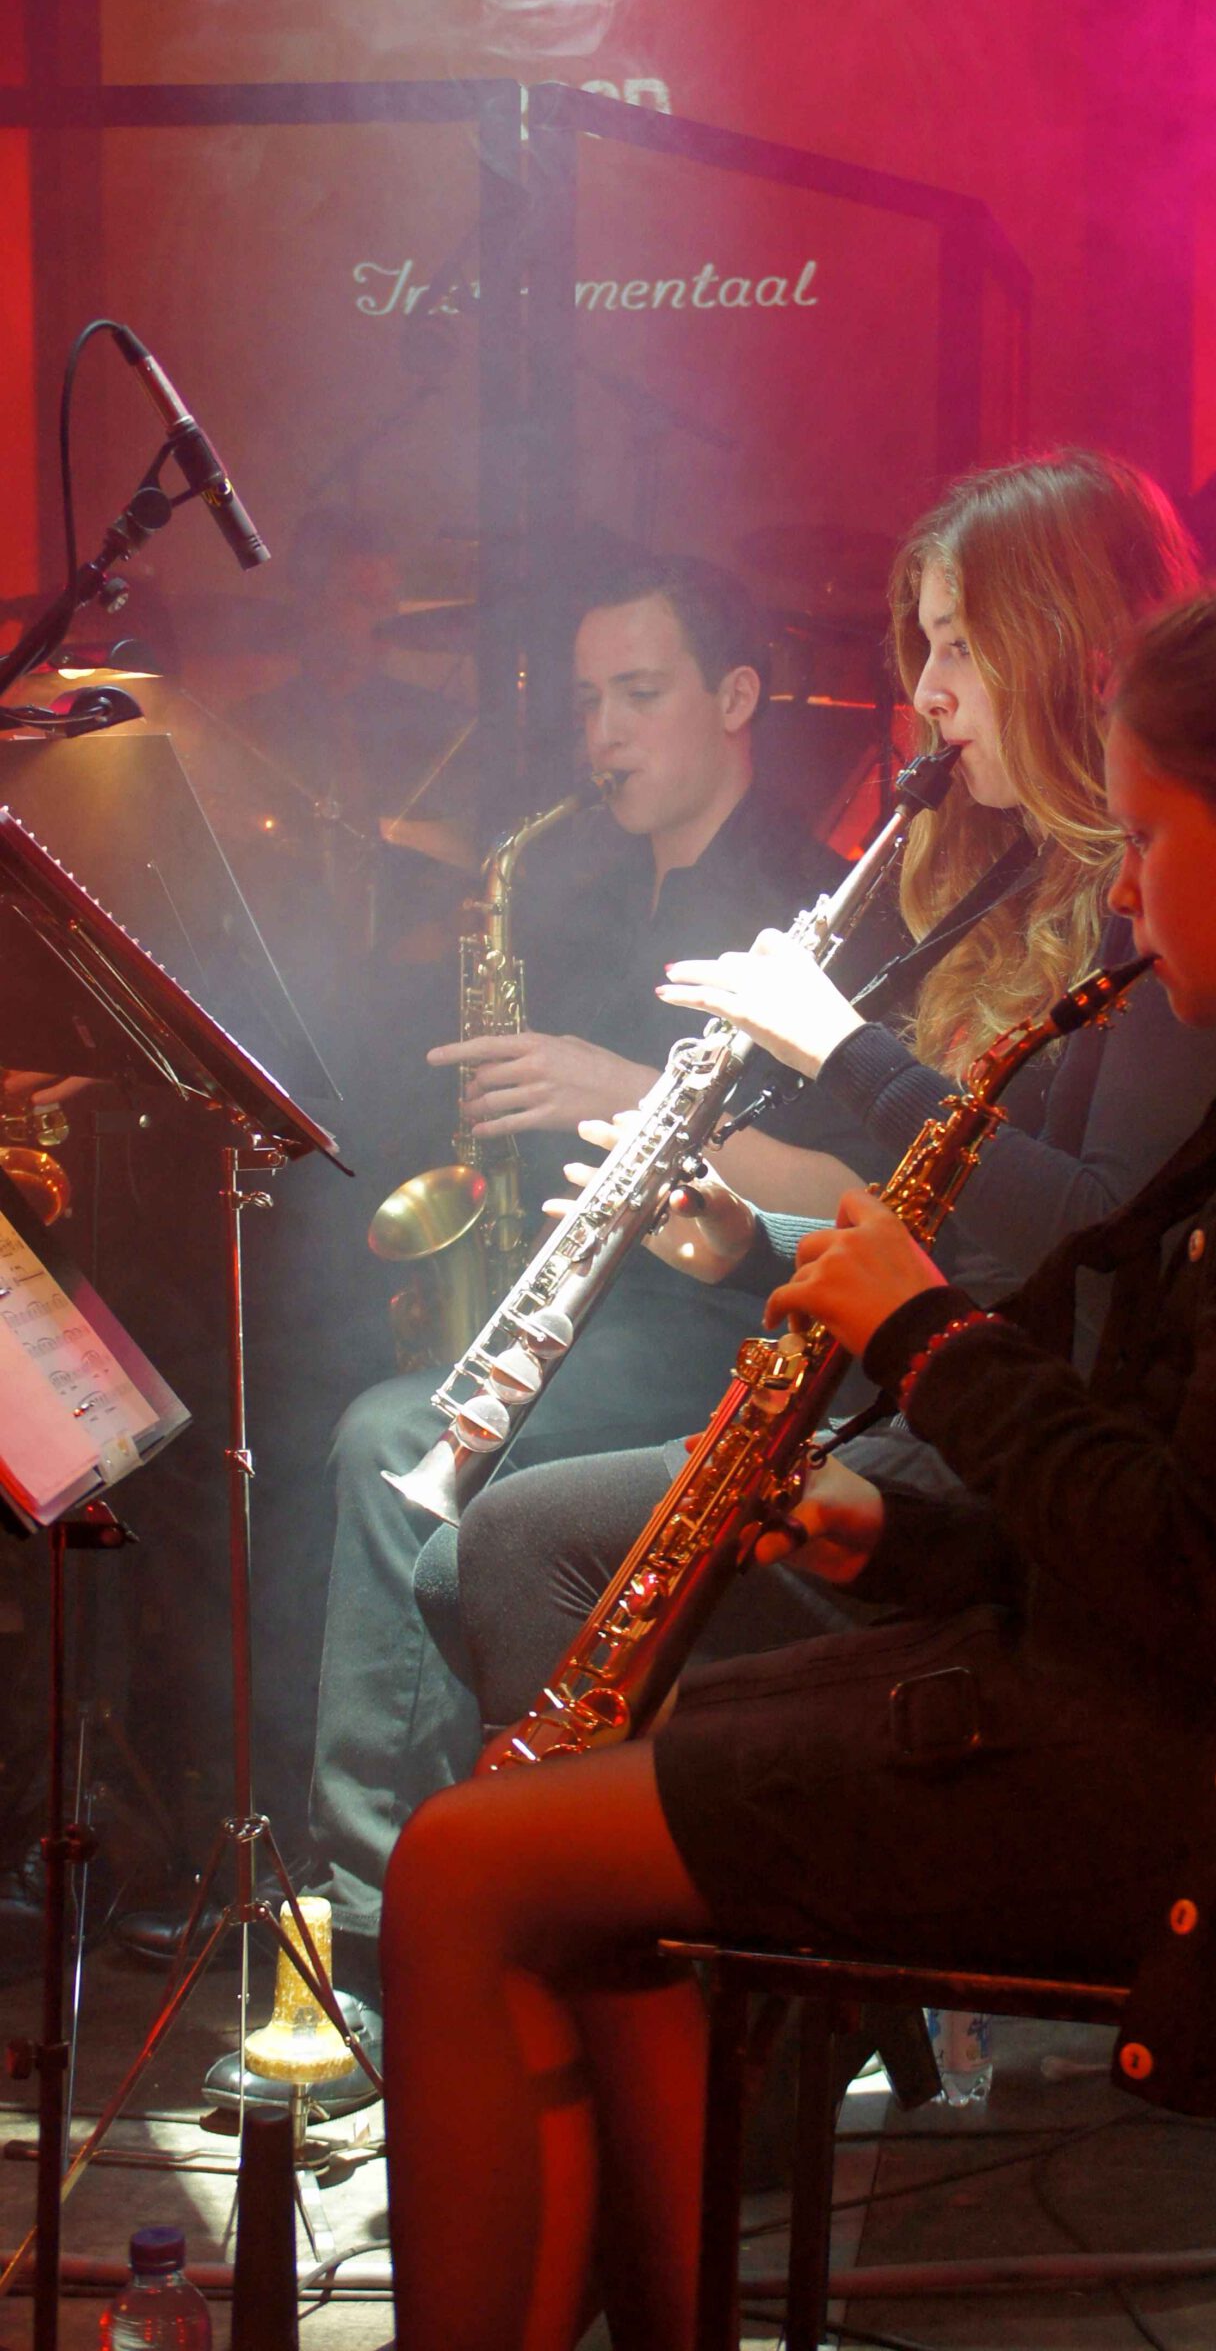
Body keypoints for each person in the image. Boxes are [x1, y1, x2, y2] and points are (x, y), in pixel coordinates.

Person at [381, 570, 1216, 2349]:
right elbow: (1208, 1490)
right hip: (1168, 1709)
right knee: (566, 1840)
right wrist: (894, 1537)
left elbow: (1199, 1573)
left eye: (1146, 838)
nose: (1120, 889)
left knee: (461, 1868)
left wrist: (920, 1334)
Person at [193, 549, 881, 2102]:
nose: (602, 734)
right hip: (593, 1315)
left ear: (734, 697)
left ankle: (382, 1959)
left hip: (725, 1332)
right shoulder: (585, 884)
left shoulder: (815, 902)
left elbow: (865, 1188)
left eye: (638, 694)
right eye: (585, 701)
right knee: (358, 1413)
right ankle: (464, 1904)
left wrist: (614, 1090)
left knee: (393, 1444)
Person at [437, 451, 1216, 1755]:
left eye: (959, 645)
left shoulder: (1158, 903)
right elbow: (965, 1230)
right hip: (939, 1400)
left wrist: (841, 1050)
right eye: (924, 648)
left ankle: (624, 1852)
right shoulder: (1008, 880)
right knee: (475, 1561)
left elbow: (1089, 1242)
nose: (925, 693)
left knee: (517, 1547)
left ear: (1069, 645)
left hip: (1028, 1452)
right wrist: (750, 1242)